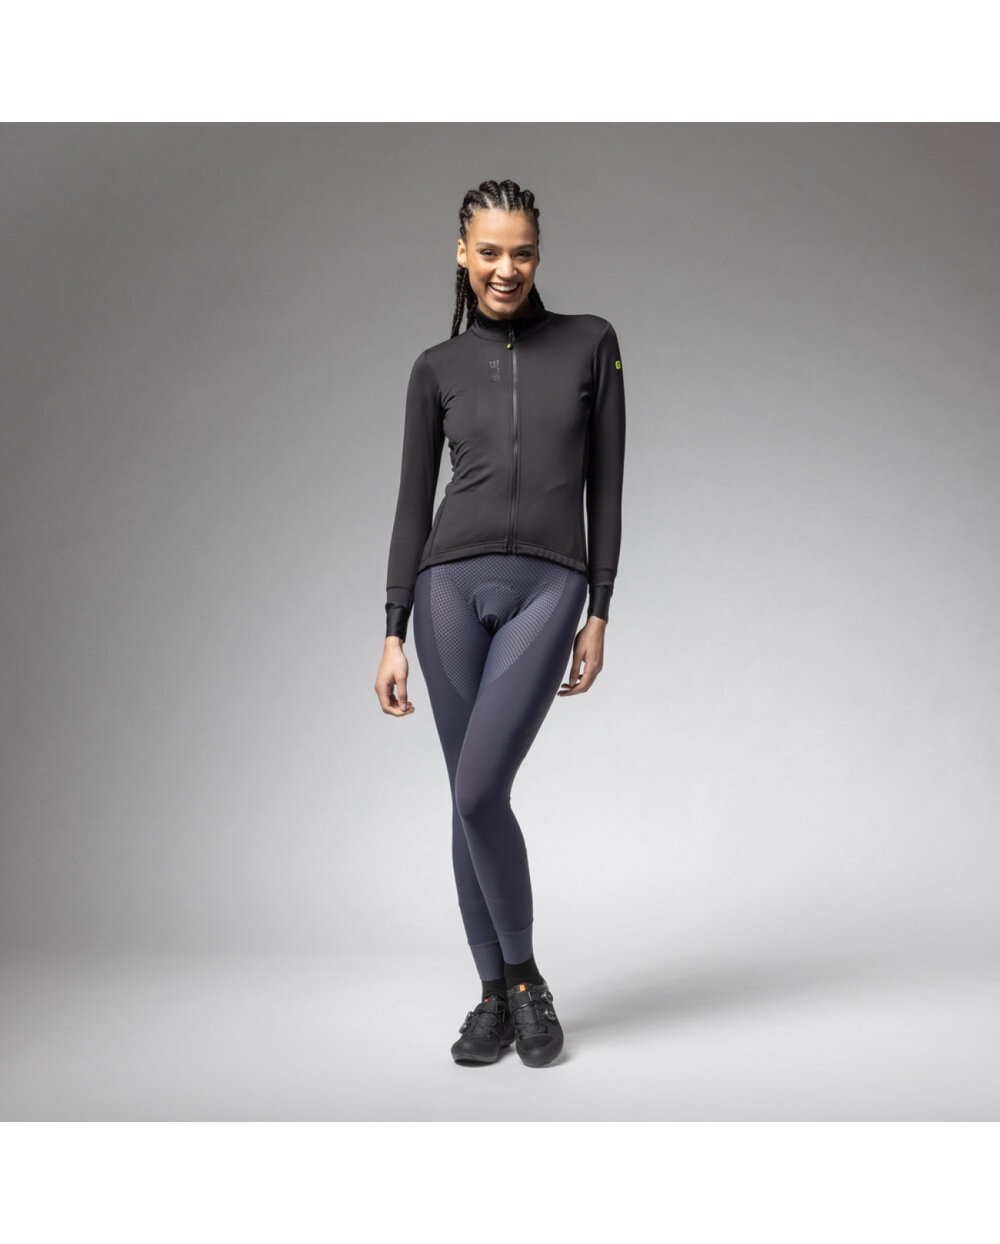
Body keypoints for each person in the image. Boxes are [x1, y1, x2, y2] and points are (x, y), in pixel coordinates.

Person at [374, 179, 626, 1068]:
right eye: (489, 252)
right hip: (447, 587)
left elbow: (606, 487)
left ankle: (524, 979)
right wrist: (393, 627)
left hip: (549, 585)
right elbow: (412, 504)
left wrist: (601, 608)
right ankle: (497, 992)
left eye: (521, 252)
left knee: (482, 790)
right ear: (462, 253)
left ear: (539, 254)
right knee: (466, 797)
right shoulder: (435, 368)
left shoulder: (592, 344)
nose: (505, 269)